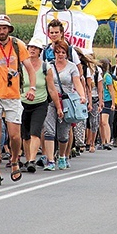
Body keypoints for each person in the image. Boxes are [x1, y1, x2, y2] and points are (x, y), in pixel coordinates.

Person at [0, 14, 36, 186]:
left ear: (9, 29)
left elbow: (30, 68)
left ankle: (15, 159)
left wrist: (32, 88)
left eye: (4, 28)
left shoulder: (18, 45)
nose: (2, 31)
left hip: (13, 95)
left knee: (14, 136)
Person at [44, 40, 87, 169]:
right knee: (49, 130)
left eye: (63, 52)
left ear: (67, 54)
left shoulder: (72, 67)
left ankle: (62, 156)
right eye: (58, 52)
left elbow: (77, 82)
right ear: (54, 53)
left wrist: (82, 96)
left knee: (63, 133)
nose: (60, 55)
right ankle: (50, 160)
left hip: (66, 102)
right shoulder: (48, 65)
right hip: (51, 100)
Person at [20, 37, 48, 173]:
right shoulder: (21, 66)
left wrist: (59, 107)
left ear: (39, 51)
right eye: (30, 47)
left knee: (35, 132)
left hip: (40, 103)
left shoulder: (45, 67)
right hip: (22, 102)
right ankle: (27, 159)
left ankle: (32, 160)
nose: (32, 50)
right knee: (25, 134)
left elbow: (52, 89)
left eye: (35, 48)